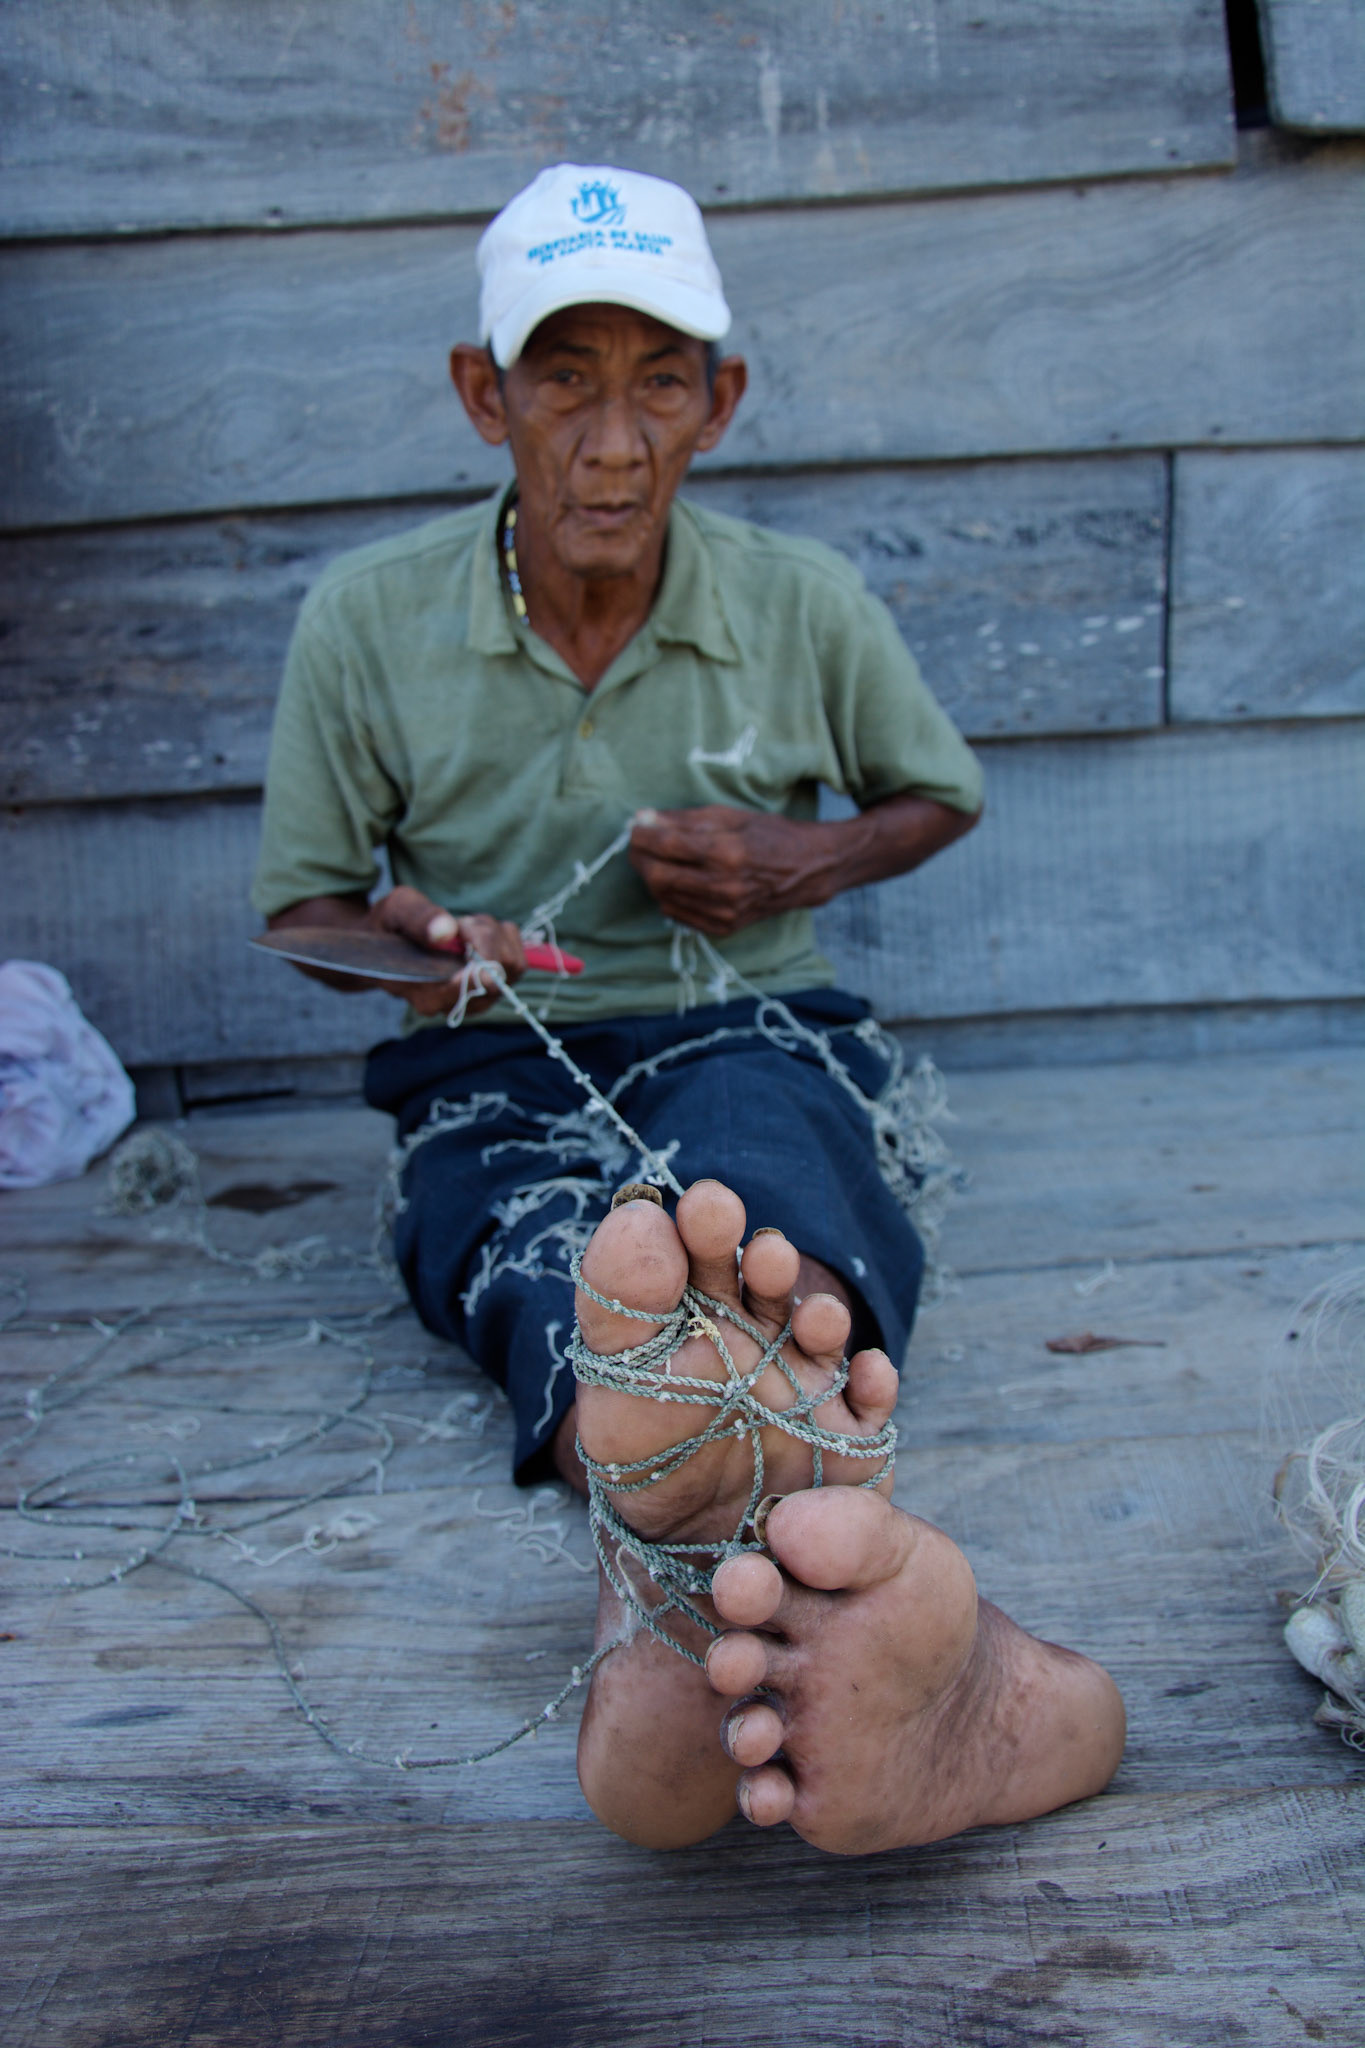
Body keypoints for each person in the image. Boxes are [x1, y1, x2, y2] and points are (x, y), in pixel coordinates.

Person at [252, 163, 1126, 1855]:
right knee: (527, 1238)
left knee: (760, 1178)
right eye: (560, 374)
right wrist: (431, 948)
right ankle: (942, 1657)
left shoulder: (798, 604)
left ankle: (661, 1601)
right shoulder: (367, 622)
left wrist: (804, 859)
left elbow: (932, 793)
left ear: (717, 404)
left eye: (658, 378)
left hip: (746, 1019)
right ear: (479, 393)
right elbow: (305, 910)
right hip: (491, 1044)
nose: (607, 436)